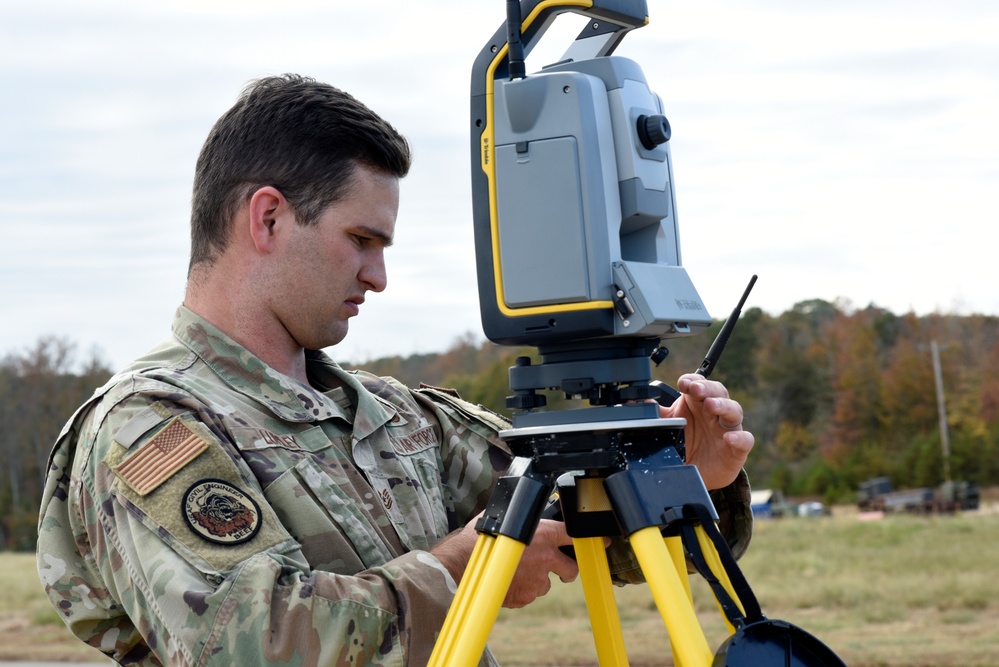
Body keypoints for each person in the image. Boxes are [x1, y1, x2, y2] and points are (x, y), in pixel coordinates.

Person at [36, 74, 754, 666]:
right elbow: (247, 645)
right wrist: (458, 567)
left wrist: (688, 470)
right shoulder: (151, 426)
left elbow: (596, 535)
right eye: (360, 239)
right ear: (267, 219)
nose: (377, 276)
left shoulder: (398, 417)